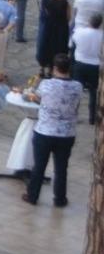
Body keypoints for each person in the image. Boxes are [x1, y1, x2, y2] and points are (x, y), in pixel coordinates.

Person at [24, 53, 81, 207]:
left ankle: (32, 195)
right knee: (61, 168)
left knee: (39, 166)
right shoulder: (77, 86)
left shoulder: (46, 85)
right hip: (66, 133)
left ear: (55, 68)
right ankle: (60, 199)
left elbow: (37, 97)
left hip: (45, 131)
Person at [71, 12, 102, 125]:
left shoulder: (80, 32)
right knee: (93, 92)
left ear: (89, 22)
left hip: (80, 63)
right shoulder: (101, 35)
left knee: (76, 91)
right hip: (95, 65)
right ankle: (92, 118)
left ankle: (73, 114)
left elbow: (73, 41)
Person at [37, 0, 71, 77]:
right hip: (60, 28)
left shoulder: (47, 1)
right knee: (58, 47)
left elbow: (47, 13)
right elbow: (68, 17)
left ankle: (42, 67)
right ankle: (52, 68)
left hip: (49, 26)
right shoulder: (65, 4)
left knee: (46, 45)